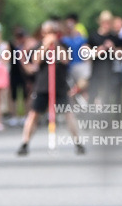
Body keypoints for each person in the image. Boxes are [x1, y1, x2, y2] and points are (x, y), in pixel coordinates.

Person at [17, 21, 82, 156]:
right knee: (34, 115)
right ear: (43, 33)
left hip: (60, 86)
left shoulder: (63, 46)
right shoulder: (38, 47)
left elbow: (65, 60)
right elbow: (36, 60)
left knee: (68, 114)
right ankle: (25, 143)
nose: (50, 35)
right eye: (48, 32)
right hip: (42, 86)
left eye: (53, 32)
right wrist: (46, 46)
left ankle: (78, 143)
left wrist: (56, 45)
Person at [87, 10, 120, 107]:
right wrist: (99, 50)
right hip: (96, 71)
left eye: (109, 22)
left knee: (107, 96)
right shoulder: (93, 36)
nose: (106, 25)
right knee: (92, 94)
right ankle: (89, 118)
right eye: (105, 22)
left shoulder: (114, 37)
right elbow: (87, 55)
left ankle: (106, 119)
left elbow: (120, 55)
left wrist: (112, 48)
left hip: (109, 71)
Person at [61, 16, 90, 104]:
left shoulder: (81, 39)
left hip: (81, 65)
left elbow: (86, 50)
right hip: (69, 67)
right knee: (70, 86)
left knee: (83, 86)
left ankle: (83, 105)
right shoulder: (63, 40)